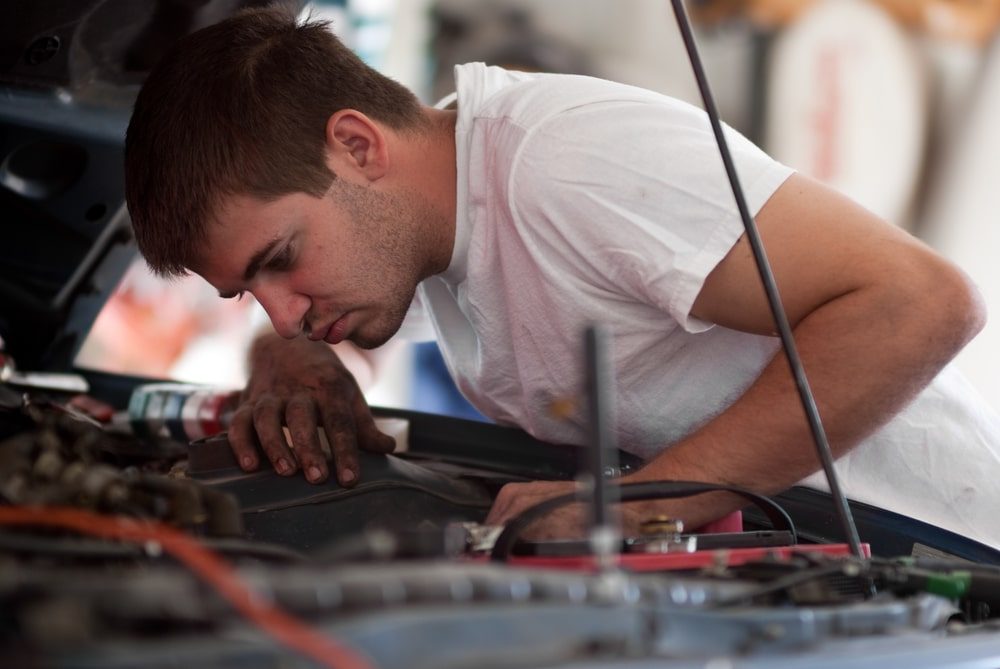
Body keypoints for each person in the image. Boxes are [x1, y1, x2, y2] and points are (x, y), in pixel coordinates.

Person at [124, 7, 1000, 547]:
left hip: (943, 561)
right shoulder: (426, 232)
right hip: (789, 559)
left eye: (280, 260)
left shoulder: (564, 165)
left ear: (358, 146)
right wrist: (291, 362)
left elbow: (922, 302)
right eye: (250, 290)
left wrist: (635, 506)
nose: (283, 311)